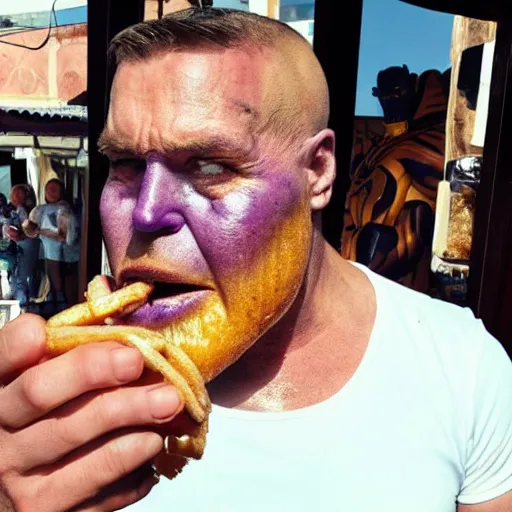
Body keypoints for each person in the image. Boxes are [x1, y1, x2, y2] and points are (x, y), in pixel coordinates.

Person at [0, 8, 511, 512]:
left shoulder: (462, 370)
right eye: (127, 164)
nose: (148, 212)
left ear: (317, 172)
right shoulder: (43, 409)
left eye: (208, 164)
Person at [23, 178, 79, 310]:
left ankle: (64, 304)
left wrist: (40, 231)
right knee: (51, 280)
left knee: (67, 285)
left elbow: (62, 235)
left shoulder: (63, 208)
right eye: (48, 189)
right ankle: (56, 300)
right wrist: (28, 228)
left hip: (68, 256)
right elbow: (30, 230)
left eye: (55, 189)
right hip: (48, 254)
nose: (51, 192)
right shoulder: (40, 210)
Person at [2, 184, 41, 308]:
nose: (15, 197)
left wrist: (15, 233)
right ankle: (21, 299)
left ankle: (23, 302)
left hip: (27, 244)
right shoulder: (10, 210)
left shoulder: (27, 210)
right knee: (17, 274)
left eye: (19, 194)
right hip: (18, 245)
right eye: (13, 194)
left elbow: (26, 230)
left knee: (24, 274)